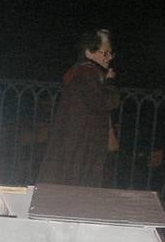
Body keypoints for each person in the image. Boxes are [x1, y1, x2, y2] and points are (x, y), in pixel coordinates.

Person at [36, 28, 119, 187]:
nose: (109, 57)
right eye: (105, 53)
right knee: (77, 186)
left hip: (77, 143)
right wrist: (109, 83)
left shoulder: (82, 72)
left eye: (111, 53)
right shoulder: (87, 73)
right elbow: (105, 101)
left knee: (71, 183)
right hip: (81, 145)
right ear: (89, 52)